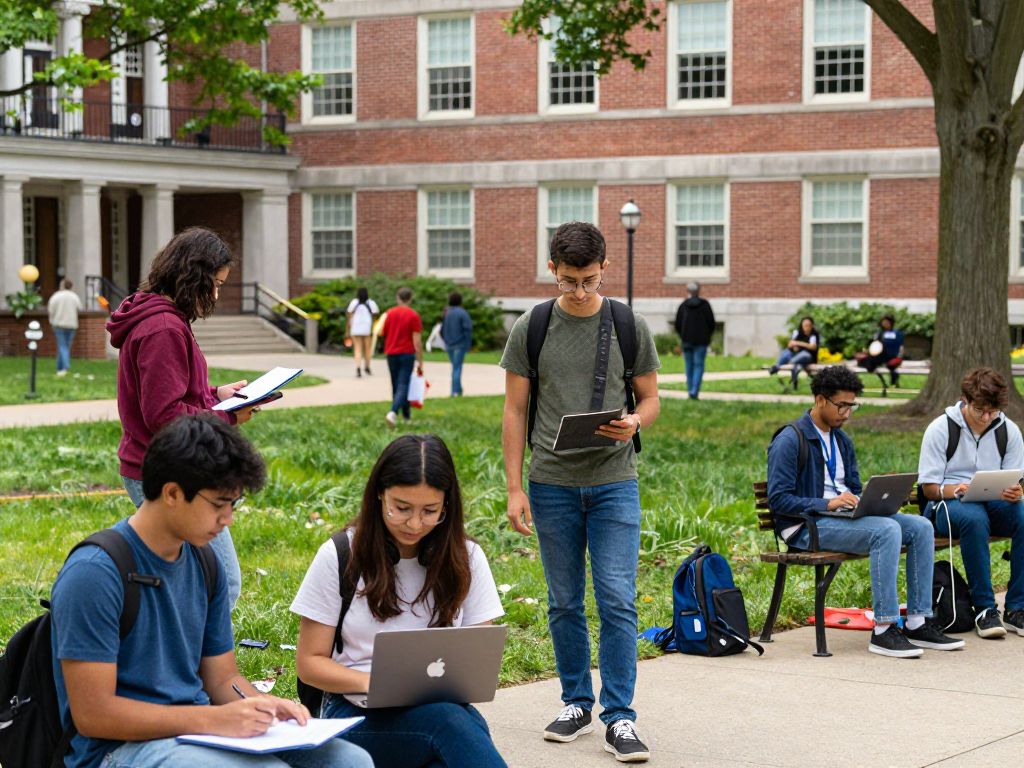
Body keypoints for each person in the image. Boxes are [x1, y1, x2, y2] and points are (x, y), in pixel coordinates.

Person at [50, 414, 373, 768]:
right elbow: (94, 715)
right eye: (218, 505)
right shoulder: (95, 573)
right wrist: (212, 720)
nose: (228, 519)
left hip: (195, 732)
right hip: (116, 749)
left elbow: (223, 678)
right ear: (172, 493)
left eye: (232, 505)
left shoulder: (204, 563)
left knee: (349, 761)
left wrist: (261, 706)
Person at [500, 221, 661, 763]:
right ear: (552, 270)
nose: (579, 292)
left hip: (615, 482)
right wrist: (513, 487)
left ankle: (619, 717)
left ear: (604, 269)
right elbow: (515, 409)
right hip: (552, 484)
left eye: (589, 280)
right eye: (569, 281)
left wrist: (635, 422)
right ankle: (575, 702)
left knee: (617, 598)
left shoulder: (627, 324)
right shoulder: (534, 326)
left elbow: (651, 400)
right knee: (564, 601)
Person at [291, 434, 507, 768]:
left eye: (430, 511)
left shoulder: (467, 557)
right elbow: (309, 663)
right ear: (379, 493)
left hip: (439, 710)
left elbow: (478, 657)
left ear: (447, 507)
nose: (415, 523)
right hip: (352, 713)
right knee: (451, 725)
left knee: (446, 741)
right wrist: (377, 684)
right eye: (401, 508)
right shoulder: (340, 554)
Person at [107, 227, 260, 609]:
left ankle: (182, 659)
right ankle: (198, 665)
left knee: (191, 581)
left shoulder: (162, 316)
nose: (217, 294)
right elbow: (165, 415)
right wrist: (228, 419)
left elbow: (176, 396)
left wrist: (216, 396)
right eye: (216, 284)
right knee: (221, 583)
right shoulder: (163, 327)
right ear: (195, 276)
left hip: (166, 464)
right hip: (165, 469)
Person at [767, 365, 962, 657]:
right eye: (841, 405)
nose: (846, 413)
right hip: (806, 526)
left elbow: (853, 487)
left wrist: (872, 499)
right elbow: (779, 500)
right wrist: (827, 504)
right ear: (820, 399)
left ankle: (918, 621)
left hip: (844, 519)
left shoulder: (842, 440)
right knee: (886, 531)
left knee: (920, 527)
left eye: (851, 406)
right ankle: (884, 630)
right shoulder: (790, 439)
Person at [918, 366, 1024, 638]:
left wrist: (1016, 492)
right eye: (980, 411)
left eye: (993, 412)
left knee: (1022, 515)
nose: (986, 418)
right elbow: (929, 489)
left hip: (994, 501)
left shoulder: (1007, 430)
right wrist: (956, 489)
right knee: (974, 518)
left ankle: (1016, 608)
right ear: (965, 400)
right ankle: (985, 609)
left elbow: (1015, 479)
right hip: (948, 504)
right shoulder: (941, 428)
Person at [381, 286, 423, 428]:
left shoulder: (389, 313)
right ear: (410, 299)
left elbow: (383, 332)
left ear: (398, 298)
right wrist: (420, 360)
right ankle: (393, 412)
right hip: (406, 353)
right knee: (404, 384)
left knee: (396, 384)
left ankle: (406, 416)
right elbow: (416, 340)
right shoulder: (413, 315)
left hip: (391, 353)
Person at [673, 281, 715, 400]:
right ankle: (694, 390)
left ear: (688, 291)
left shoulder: (683, 305)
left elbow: (677, 324)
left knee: (689, 366)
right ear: (699, 291)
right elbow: (711, 323)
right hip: (701, 341)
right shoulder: (705, 305)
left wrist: (683, 335)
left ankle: (690, 389)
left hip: (686, 340)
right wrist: (707, 336)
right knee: (698, 365)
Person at [768, 316, 820, 390]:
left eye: (809, 325)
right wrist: (794, 346)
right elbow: (790, 345)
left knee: (804, 355)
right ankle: (776, 366)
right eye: (805, 325)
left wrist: (798, 343)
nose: (807, 327)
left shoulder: (814, 334)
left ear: (812, 326)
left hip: (809, 357)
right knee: (786, 352)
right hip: (797, 357)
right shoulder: (797, 332)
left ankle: (785, 365)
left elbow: (813, 347)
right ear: (802, 325)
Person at [47, 278, 83, 376]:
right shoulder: (74, 296)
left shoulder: (56, 296)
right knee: (65, 346)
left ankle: (65, 366)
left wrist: (51, 321)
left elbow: (50, 310)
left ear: (62, 285)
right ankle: (60, 368)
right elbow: (80, 308)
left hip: (58, 324)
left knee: (62, 346)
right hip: (72, 325)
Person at [441, 291, 473, 397]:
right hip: (460, 344)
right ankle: (455, 391)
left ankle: (458, 390)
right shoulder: (462, 313)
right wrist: (468, 344)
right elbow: (468, 329)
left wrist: (445, 340)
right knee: (457, 368)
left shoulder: (447, 312)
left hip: (449, 344)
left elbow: (442, 329)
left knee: (455, 367)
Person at [858, 314, 904, 387]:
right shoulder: (879, 333)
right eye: (884, 322)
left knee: (869, 361)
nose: (885, 324)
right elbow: (875, 345)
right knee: (866, 360)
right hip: (880, 355)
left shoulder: (897, 333)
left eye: (887, 322)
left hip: (890, 355)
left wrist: (899, 357)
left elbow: (900, 347)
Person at [346, 287, 380, 378]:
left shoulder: (354, 302)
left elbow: (349, 315)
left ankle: (358, 367)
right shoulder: (371, 303)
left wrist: (347, 330)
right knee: (367, 349)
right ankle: (367, 366)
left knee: (357, 349)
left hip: (355, 328)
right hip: (366, 328)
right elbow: (376, 313)